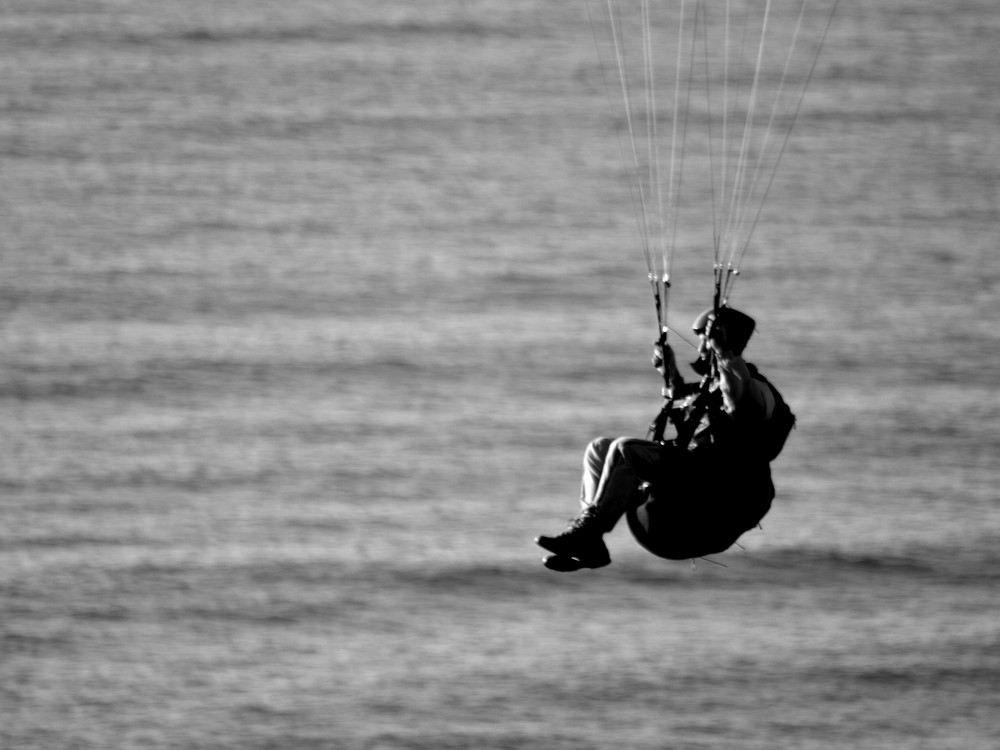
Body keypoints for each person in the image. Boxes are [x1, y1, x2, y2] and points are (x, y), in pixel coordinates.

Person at [535, 306, 787, 572]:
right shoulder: (708, 388)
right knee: (600, 448)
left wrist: (725, 353)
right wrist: (670, 375)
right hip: (684, 488)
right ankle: (590, 538)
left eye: (706, 337)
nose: (702, 344)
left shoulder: (757, 388)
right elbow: (691, 405)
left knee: (626, 450)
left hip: (714, 500)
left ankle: (589, 532)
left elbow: (738, 401)